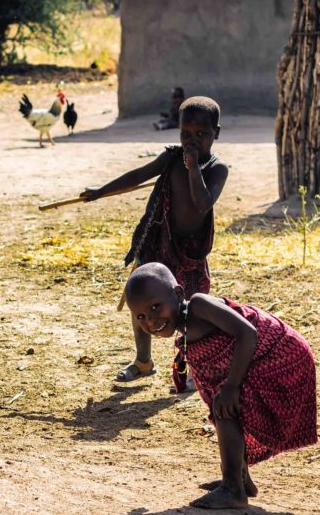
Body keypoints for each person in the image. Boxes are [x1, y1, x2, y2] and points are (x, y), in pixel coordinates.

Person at [124, 262, 317, 509]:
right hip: (263, 355)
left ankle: (233, 488)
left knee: (224, 405)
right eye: (141, 316)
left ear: (178, 294)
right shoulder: (185, 329)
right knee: (222, 404)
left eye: (155, 307)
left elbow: (248, 334)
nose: (150, 321)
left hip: (282, 355)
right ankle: (240, 478)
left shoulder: (199, 305)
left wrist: (232, 386)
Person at [80, 96, 229, 388]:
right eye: (186, 134)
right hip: (158, 243)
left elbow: (202, 204)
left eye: (202, 135)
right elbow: (138, 175)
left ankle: (187, 371)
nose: (193, 141)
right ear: (178, 130)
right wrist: (101, 191)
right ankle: (143, 361)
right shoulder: (171, 158)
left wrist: (194, 168)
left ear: (217, 133)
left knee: (189, 311)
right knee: (142, 301)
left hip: (190, 253)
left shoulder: (216, 169)